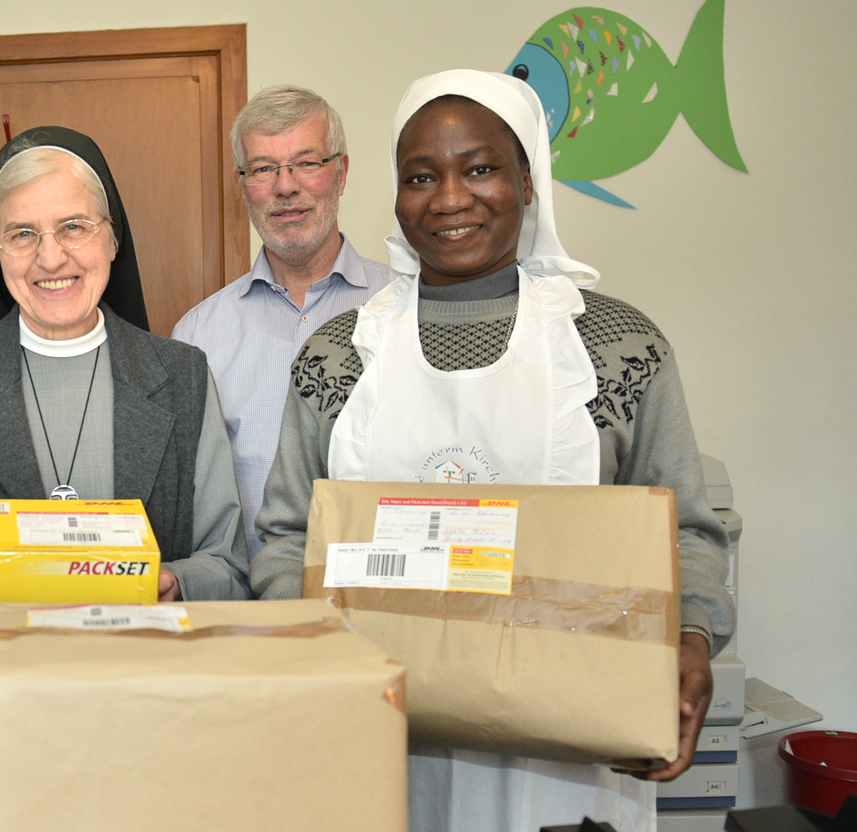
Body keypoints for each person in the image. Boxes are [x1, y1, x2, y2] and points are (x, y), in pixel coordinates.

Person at [248, 70, 735, 832]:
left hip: (576, 763)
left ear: (527, 182)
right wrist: (313, 652)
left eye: (479, 168)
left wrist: (693, 638)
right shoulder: (339, 356)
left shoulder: (616, 346)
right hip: (377, 742)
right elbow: (284, 536)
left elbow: (689, 532)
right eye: (419, 176)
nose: (448, 198)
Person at [0, 125, 249, 607]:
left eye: (73, 226)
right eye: (22, 233)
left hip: (144, 673)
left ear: (113, 241)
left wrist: (176, 583)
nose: (50, 258)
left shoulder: (183, 377)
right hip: (1, 675)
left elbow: (229, 569)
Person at [171, 85, 389, 556]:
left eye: (306, 163)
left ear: (341, 172)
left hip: (379, 604)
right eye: (264, 168)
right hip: (242, 614)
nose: (285, 186)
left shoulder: (404, 307)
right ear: (243, 185)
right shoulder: (196, 337)